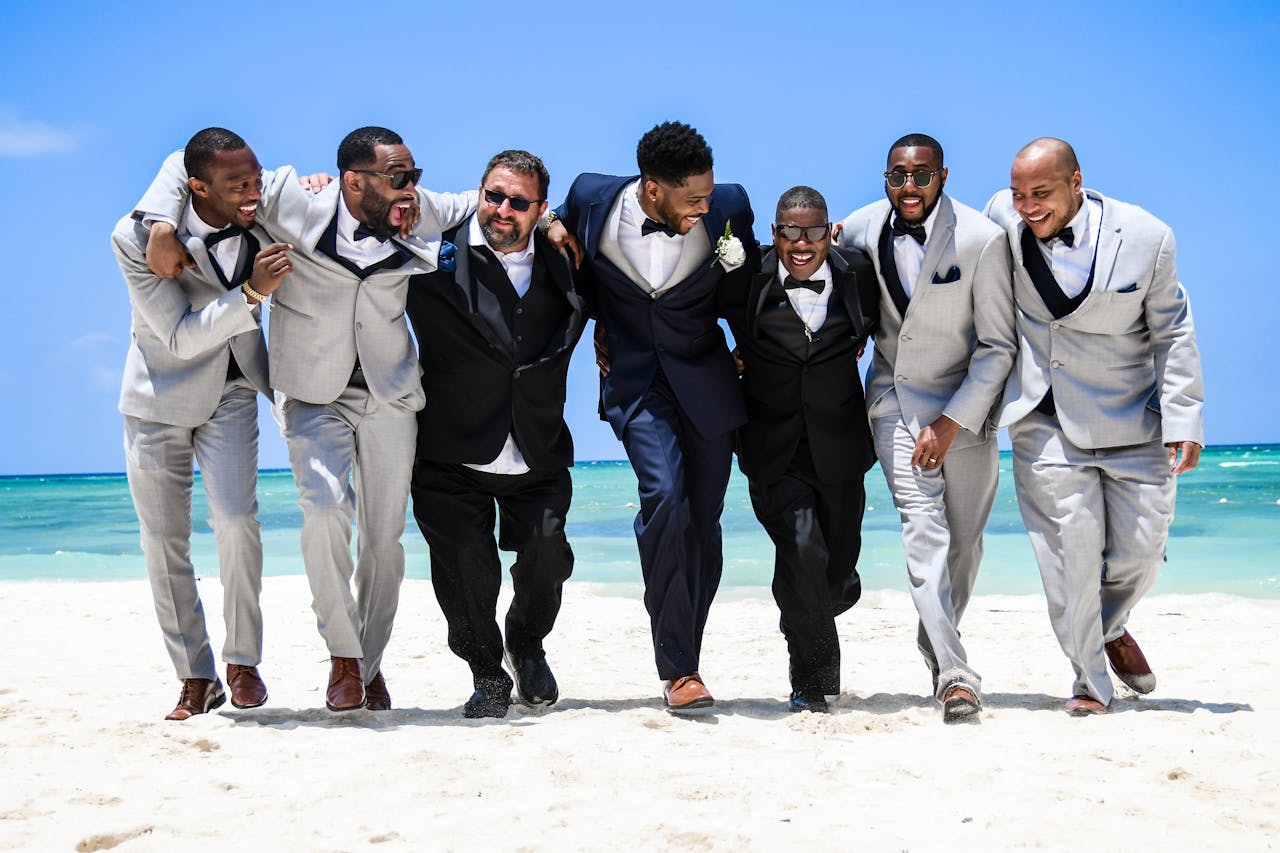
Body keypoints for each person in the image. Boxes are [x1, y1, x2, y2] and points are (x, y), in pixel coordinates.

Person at [138, 127, 476, 712]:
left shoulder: (417, 210)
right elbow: (186, 162)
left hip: (390, 392)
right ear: (353, 181)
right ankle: (342, 657)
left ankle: (369, 665)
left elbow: (484, 198)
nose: (412, 189)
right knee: (323, 509)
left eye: (415, 176)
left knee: (384, 540)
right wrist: (162, 223)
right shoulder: (289, 200)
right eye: (398, 177)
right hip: (311, 393)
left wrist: (546, 221)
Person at [985, 138, 1205, 716]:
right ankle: (1090, 683)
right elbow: (938, 233)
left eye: (1042, 193)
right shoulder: (998, 218)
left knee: (1139, 552)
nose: (1028, 207)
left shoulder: (1148, 238)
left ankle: (1110, 628)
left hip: (1132, 417)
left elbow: (1173, 331)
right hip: (1043, 418)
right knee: (1069, 555)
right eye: (1019, 194)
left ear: (1077, 182)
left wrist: (1184, 419)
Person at [546, 121, 760, 713]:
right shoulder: (592, 196)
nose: (703, 208)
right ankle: (679, 668)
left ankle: (687, 651)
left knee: (704, 520)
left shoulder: (730, 207)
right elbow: (549, 216)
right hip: (636, 384)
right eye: (691, 200)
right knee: (664, 497)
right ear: (650, 190)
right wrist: (549, 223)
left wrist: (754, 350)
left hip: (710, 381)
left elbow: (749, 283)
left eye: (707, 197)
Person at [836, 134, 1016, 723]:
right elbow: (810, 252)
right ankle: (956, 674)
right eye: (896, 177)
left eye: (919, 176)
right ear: (884, 178)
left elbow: (996, 348)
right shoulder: (861, 227)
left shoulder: (982, 240)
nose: (907, 188)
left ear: (943, 175)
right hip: (893, 401)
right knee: (924, 532)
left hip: (964, 408)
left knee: (965, 545)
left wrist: (951, 421)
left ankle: (935, 639)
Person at [114, 127, 291, 719]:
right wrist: (249, 296)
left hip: (234, 388)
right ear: (197, 188)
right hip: (158, 396)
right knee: (165, 543)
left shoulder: (259, 208)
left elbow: (321, 199)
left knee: (238, 521)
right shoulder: (131, 239)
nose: (252, 193)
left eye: (256, 179)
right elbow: (179, 336)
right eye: (238, 185)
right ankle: (197, 675)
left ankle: (243, 663)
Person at [405, 150, 587, 718]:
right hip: (450, 448)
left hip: (538, 446)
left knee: (547, 556)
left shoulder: (567, 259)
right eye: (493, 195)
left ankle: (526, 643)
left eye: (518, 202)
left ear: (541, 209)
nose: (502, 209)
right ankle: (486, 671)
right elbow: (363, 208)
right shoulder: (432, 254)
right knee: (463, 570)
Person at [720, 186, 878, 713]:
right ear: (775, 233)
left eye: (813, 230)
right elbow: (689, 316)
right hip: (772, 449)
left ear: (830, 231)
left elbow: (886, 324)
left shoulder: (858, 274)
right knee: (801, 552)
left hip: (841, 446)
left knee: (834, 570)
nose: (802, 243)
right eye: (791, 231)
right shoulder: (748, 278)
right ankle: (810, 678)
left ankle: (827, 597)